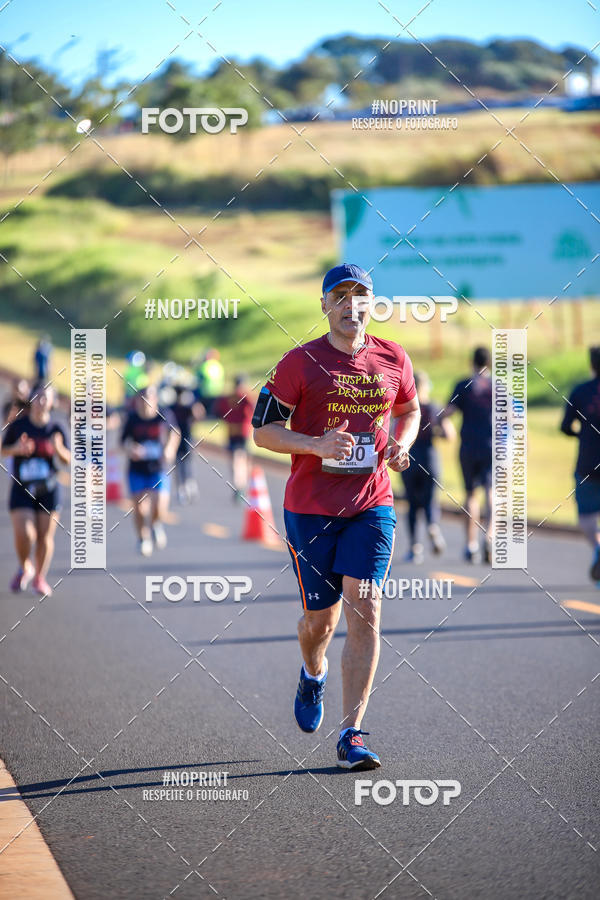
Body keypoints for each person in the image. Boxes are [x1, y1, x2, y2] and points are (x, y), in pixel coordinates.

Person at [253, 263, 420, 769]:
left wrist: (401, 445)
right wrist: (315, 444)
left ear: (372, 304)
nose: (351, 305)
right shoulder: (299, 363)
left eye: (360, 296)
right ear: (324, 306)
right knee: (319, 624)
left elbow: (410, 411)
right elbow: (263, 432)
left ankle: (352, 735)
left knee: (365, 606)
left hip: (371, 504)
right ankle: (312, 670)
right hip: (310, 509)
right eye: (340, 296)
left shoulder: (393, 357)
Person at [1, 384, 70, 596]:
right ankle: (25, 566)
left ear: (52, 402)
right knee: (26, 534)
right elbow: (3, 450)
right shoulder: (19, 425)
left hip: (48, 489)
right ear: (31, 400)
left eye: (45, 398)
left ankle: (40, 578)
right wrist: (17, 449)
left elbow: (68, 460)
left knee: (44, 537)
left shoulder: (57, 428)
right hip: (22, 488)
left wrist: (58, 449)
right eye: (37, 397)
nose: (40, 402)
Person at [440, 347, 493, 563]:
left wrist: (437, 420)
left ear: (472, 362)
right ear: (489, 363)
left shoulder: (464, 385)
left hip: (469, 446)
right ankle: (489, 537)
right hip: (493, 446)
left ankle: (471, 544)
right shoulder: (498, 386)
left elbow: (449, 412)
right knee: (493, 493)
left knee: (471, 494)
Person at [399, 372, 455, 563]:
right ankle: (432, 525)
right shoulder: (434, 408)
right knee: (430, 500)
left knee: (412, 504)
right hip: (430, 459)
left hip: (410, 458)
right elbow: (449, 435)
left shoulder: (405, 410)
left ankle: (415, 547)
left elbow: (393, 432)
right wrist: (436, 432)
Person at [121, 384, 180, 556]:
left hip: (158, 468)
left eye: (149, 398)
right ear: (137, 402)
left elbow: (175, 432)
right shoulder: (132, 418)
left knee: (160, 507)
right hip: (137, 469)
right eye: (142, 399)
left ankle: (155, 524)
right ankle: (143, 538)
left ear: (155, 400)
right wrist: (131, 449)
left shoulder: (164, 415)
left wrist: (169, 449)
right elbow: (123, 441)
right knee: (139, 508)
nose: (145, 402)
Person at [561, 346, 600, 582]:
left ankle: (597, 547)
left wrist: (581, 435)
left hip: (588, 462)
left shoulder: (580, 392)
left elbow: (565, 426)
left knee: (586, 515)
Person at [215, 374, 255, 501]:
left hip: (231, 431)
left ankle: (239, 485)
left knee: (234, 460)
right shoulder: (246, 396)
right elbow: (254, 409)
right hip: (243, 432)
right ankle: (241, 486)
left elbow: (219, 410)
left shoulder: (227, 397)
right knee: (242, 459)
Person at [169, 384, 205, 504]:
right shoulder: (172, 408)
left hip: (187, 440)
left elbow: (199, 415)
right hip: (176, 440)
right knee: (178, 465)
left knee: (187, 465)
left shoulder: (188, 407)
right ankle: (181, 489)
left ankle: (190, 486)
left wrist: (194, 402)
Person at [196, 349, 225, 417]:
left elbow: (198, 378)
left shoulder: (204, 365)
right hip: (218, 392)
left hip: (205, 393)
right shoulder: (219, 365)